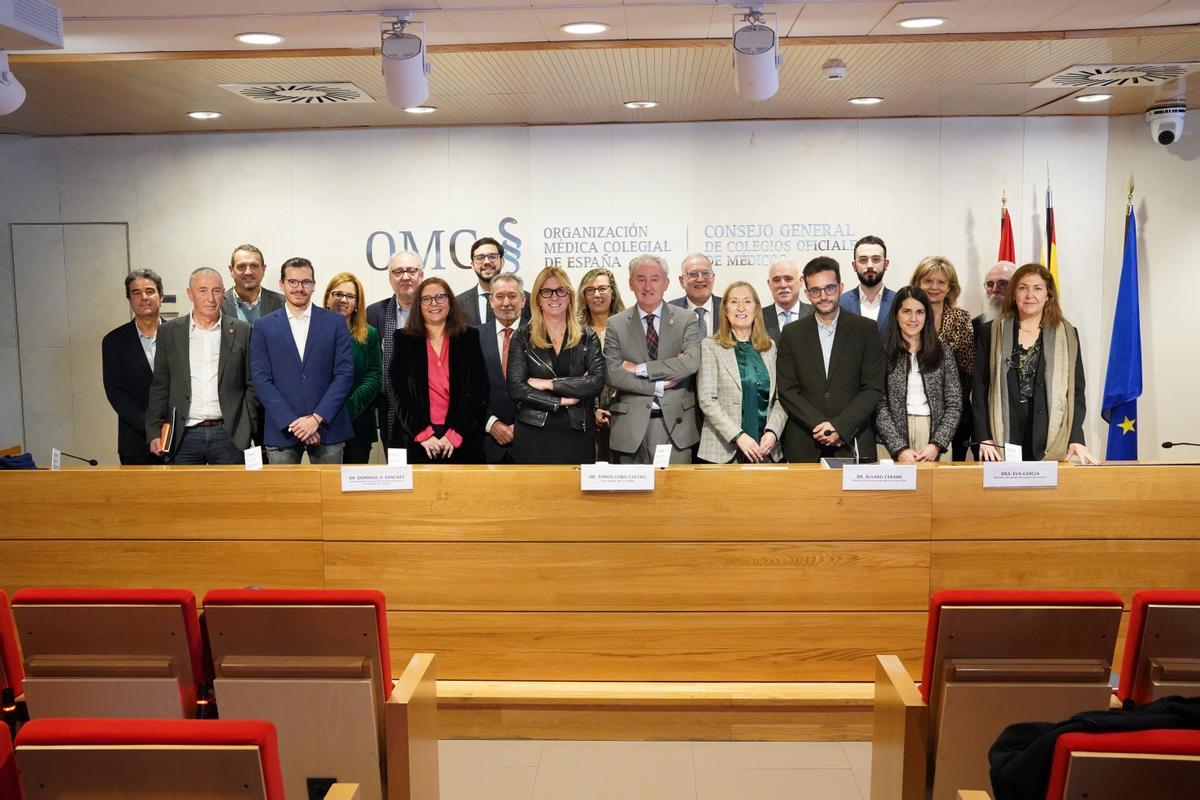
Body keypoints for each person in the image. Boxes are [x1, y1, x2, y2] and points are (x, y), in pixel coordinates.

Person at [973, 263, 1099, 464]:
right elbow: (979, 390)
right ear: (1014, 294)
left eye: (1037, 288)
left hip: (1051, 439)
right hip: (1000, 440)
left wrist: (1076, 437)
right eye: (1023, 288)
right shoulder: (990, 332)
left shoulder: (1067, 334)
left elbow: (1075, 392)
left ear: (1048, 295)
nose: (1029, 295)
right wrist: (983, 437)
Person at [777, 256, 885, 463]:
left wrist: (840, 427)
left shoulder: (865, 329)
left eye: (829, 288)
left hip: (852, 440)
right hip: (805, 442)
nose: (823, 296)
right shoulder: (792, 333)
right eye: (815, 291)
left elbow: (873, 387)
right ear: (807, 293)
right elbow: (787, 390)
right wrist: (822, 427)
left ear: (840, 287)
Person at [249, 257, 355, 464]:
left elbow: (344, 374)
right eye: (292, 282)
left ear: (314, 285)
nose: (300, 288)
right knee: (285, 496)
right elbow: (261, 380)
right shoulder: (264, 326)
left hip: (328, 428)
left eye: (306, 282)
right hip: (283, 431)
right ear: (282, 284)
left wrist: (316, 419)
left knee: (331, 495)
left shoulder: (334, 322)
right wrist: (294, 423)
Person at [146, 268, 255, 464]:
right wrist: (154, 430)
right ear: (190, 294)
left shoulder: (242, 330)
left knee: (230, 494)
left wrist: (247, 429)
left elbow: (251, 385)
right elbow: (160, 386)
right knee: (185, 494)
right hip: (184, 436)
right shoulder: (169, 332)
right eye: (203, 290)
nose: (211, 298)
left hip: (229, 435)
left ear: (224, 293)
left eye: (216, 290)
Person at [603, 254, 702, 464]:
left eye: (654, 279)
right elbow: (613, 373)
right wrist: (658, 386)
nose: (647, 286)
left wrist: (639, 369)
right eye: (640, 279)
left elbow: (690, 363)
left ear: (666, 283)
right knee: (631, 497)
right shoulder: (616, 324)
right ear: (630, 283)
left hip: (676, 428)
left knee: (676, 495)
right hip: (630, 429)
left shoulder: (686, 319)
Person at [506, 267, 605, 464]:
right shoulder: (522, 336)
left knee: (575, 494)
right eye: (547, 291)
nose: (554, 297)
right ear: (538, 299)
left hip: (578, 432)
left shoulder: (587, 336)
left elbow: (596, 382)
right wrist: (560, 402)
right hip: (533, 432)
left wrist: (548, 384)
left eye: (561, 290)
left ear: (569, 296)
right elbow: (516, 388)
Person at [388, 277, 488, 463]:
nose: (434, 303)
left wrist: (456, 433)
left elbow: (478, 390)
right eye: (426, 299)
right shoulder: (403, 339)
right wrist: (422, 433)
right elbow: (398, 391)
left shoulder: (469, 337)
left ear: (450, 301)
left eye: (440, 297)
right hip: (416, 439)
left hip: (460, 440)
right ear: (419, 305)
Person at [697, 282, 786, 464]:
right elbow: (707, 399)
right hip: (722, 451)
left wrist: (773, 432)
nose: (741, 308)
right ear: (725, 310)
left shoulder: (770, 348)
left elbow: (781, 398)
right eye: (734, 302)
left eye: (747, 301)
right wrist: (738, 436)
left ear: (756, 309)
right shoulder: (710, 346)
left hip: (765, 449)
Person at [873, 286, 961, 463]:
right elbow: (877, 405)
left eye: (920, 312)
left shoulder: (942, 353)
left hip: (933, 438)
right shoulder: (881, 353)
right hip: (890, 440)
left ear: (926, 315)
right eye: (906, 311)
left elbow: (954, 403)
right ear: (896, 315)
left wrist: (937, 443)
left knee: (936, 491)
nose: (913, 319)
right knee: (893, 492)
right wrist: (899, 448)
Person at [910, 256, 974, 460]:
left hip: (954, 415)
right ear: (918, 284)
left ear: (950, 287)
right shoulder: (909, 318)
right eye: (928, 281)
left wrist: (951, 413)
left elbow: (967, 369)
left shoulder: (961, 319)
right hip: (914, 415)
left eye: (941, 282)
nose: (934, 287)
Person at [102, 269, 166, 465]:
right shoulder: (114, 341)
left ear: (161, 296)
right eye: (136, 293)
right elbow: (116, 393)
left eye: (149, 291)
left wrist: (166, 430)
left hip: (177, 439)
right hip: (136, 441)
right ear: (129, 299)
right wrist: (150, 428)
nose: (144, 297)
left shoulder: (180, 335)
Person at [322, 271, 381, 464]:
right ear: (328, 297)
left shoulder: (369, 334)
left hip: (358, 424)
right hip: (323, 423)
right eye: (337, 294)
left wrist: (346, 410)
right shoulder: (314, 332)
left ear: (357, 303)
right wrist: (326, 411)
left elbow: (373, 378)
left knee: (354, 488)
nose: (343, 300)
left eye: (350, 296)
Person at [365, 251, 423, 444]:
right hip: (389, 408)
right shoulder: (374, 313)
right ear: (390, 278)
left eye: (411, 271)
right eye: (398, 272)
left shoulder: (436, 311)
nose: (405, 276)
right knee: (396, 471)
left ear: (421, 275)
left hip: (430, 408)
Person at [577, 267, 626, 461]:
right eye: (590, 290)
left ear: (612, 293)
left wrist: (615, 411)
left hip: (623, 417)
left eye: (603, 288)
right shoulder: (574, 332)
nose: (597, 294)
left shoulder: (629, 327)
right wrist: (592, 411)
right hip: (584, 418)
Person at [477, 273, 526, 464]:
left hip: (530, 441)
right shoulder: (473, 337)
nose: (506, 302)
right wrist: (491, 424)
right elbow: (468, 390)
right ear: (491, 301)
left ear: (523, 300)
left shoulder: (539, 336)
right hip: (485, 443)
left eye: (512, 296)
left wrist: (522, 426)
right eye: (499, 296)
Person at [455, 237, 531, 326]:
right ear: (472, 265)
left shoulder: (528, 300)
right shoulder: (458, 304)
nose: (486, 262)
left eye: (492, 256)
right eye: (480, 258)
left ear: (502, 262)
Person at [840, 235, 895, 330]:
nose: (869, 265)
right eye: (863, 260)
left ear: (886, 264)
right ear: (854, 266)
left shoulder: (898, 302)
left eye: (876, 259)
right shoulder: (841, 303)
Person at [222, 244, 284, 325]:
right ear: (231, 270)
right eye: (241, 266)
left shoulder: (282, 303)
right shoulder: (218, 304)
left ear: (263, 270)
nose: (248, 272)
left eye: (254, 266)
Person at [669, 253, 721, 339]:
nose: (700, 279)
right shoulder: (669, 311)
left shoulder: (728, 308)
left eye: (705, 273)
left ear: (713, 278)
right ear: (682, 281)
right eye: (693, 274)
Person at [762, 259, 812, 344]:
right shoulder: (758, 318)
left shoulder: (816, 314)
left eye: (788, 279)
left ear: (801, 281)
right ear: (769, 284)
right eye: (776, 280)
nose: (783, 285)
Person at [973, 260, 1017, 339]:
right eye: (990, 284)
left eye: (1003, 283)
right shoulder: (975, 325)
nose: (994, 290)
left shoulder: (1026, 323)